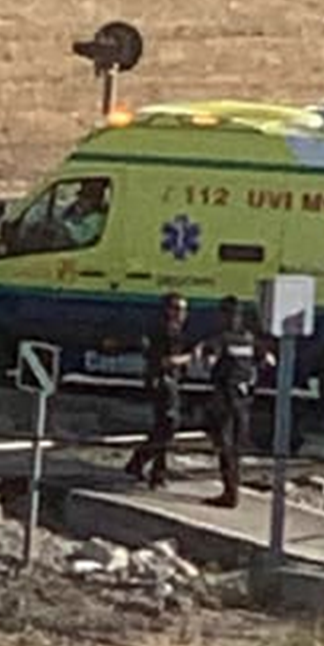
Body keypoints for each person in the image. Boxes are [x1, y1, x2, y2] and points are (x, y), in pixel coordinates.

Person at [197, 296, 267, 508]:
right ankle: (232, 491)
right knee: (235, 448)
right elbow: (265, 360)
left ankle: (230, 493)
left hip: (225, 399)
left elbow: (208, 362)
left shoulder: (221, 339)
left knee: (225, 446)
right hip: (243, 400)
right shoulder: (249, 338)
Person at [124, 293, 192, 489]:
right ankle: (141, 463)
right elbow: (166, 360)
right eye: (179, 309)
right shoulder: (165, 331)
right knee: (168, 425)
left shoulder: (175, 330)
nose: (183, 314)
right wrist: (190, 357)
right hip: (164, 382)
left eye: (184, 310)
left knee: (162, 427)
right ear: (169, 310)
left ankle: (156, 472)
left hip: (170, 380)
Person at [62, 180, 109, 247]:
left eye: (87, 196)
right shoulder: (76, 208)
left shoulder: (97, 218)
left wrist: (66, 227)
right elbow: (65, 216)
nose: (81, 200)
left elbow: (80, 239)